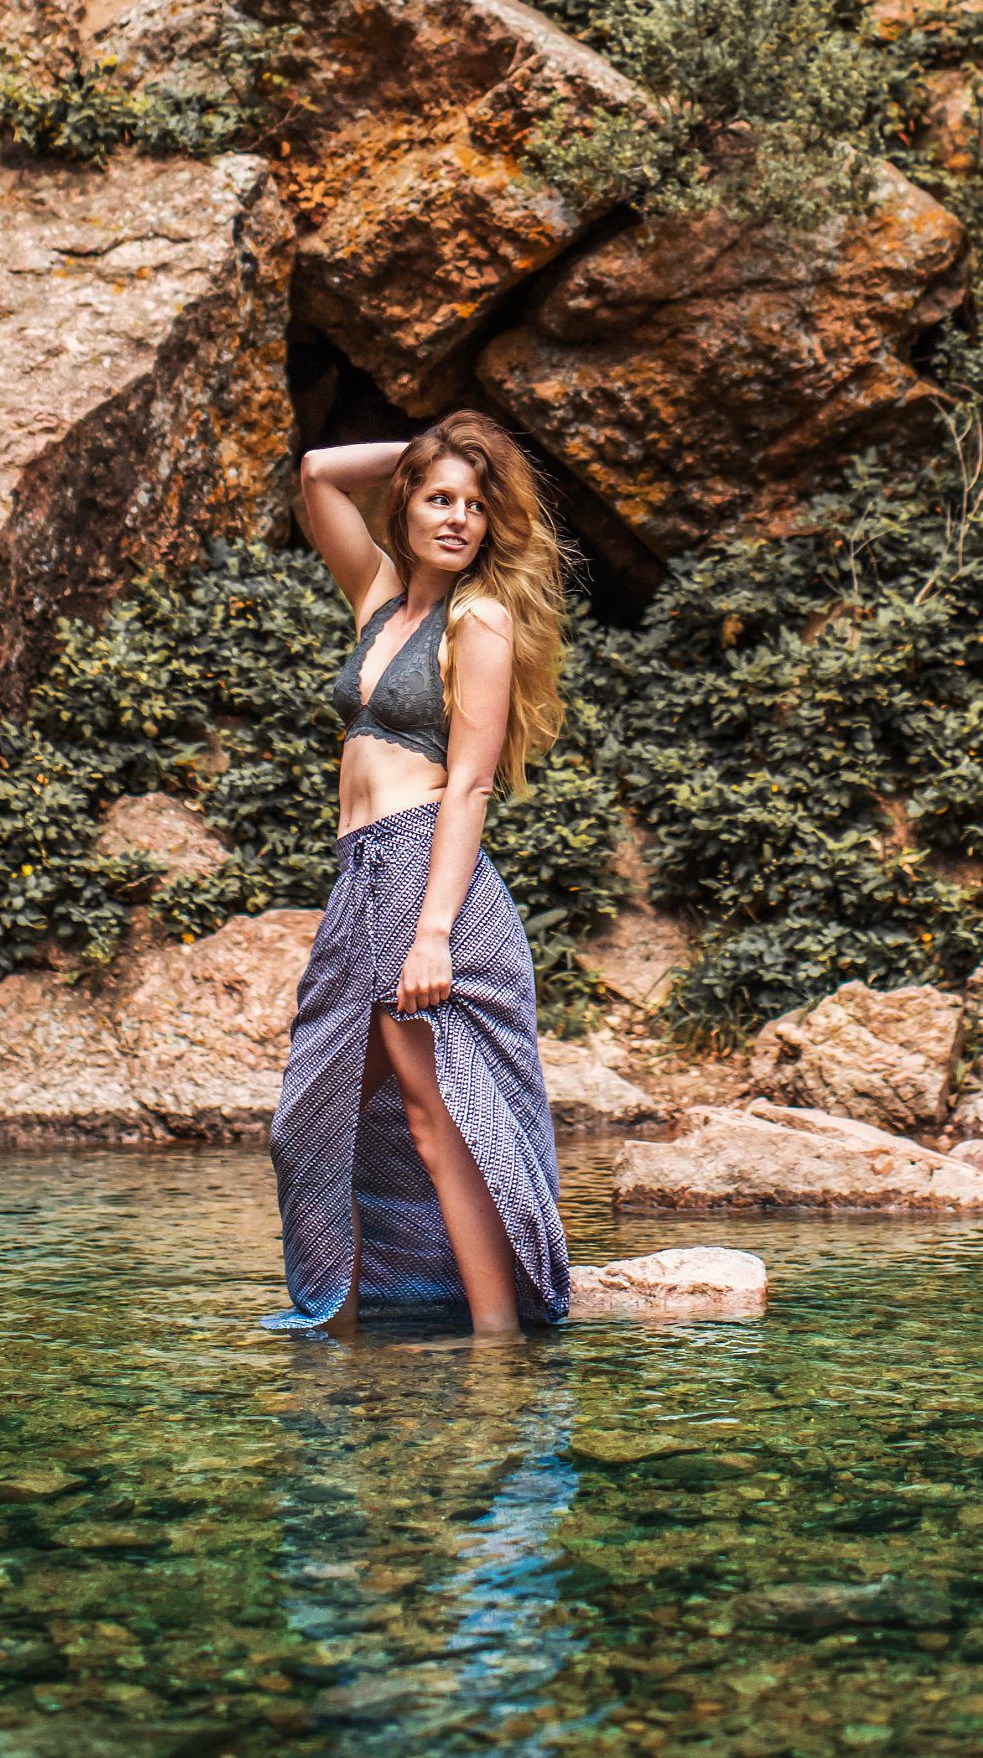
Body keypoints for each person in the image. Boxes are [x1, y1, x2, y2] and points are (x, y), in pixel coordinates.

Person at [270, 410, 571, 1338]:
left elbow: (471, 782)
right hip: (357, 876)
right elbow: (320, 470)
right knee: (317, 1115)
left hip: (417, 874)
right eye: (439, 498)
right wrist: (426, 446)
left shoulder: (476, 617)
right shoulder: (379, 596)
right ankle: (342, 1326)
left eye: (475, 504)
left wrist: (433, 928)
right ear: (405, 501)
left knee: (437, 1123)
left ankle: (495, 1344)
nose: (457, 517)